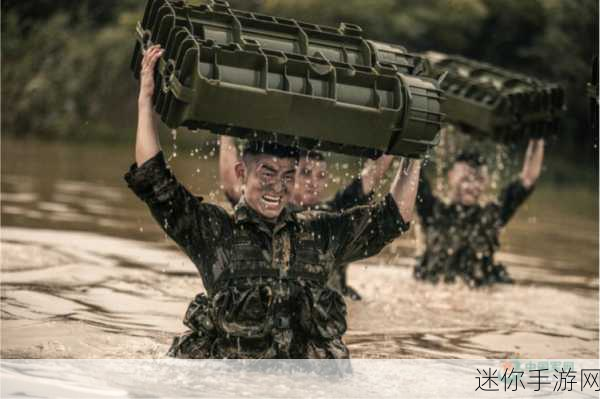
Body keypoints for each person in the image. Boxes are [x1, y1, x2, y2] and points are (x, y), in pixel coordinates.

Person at [125, 44, 422, 358]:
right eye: (267, 172)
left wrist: (412, 155)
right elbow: (155, 180)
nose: (278, 187)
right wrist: (145, 100)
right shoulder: (215, 232)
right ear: (242, 172)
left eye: (288, 175)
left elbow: (393, 219)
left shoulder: (319, 234)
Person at [219, 135, 394, 301]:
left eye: (321, 176)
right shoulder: (265, 210)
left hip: (332, 297)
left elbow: (373, 174)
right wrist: (226, 134)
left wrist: (403, 141)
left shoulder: (334, 214)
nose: (313, 183)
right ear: (290, 174)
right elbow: (232, 187)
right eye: (306, 173)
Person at [414, 138, 545, 287]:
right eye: (465, 179)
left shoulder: (492, 216)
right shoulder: (431, 211)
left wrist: (537, 139)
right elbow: (414, 173)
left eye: (478, 179)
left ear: (486, 182)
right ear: (450, 176)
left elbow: (527, 180)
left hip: (479, 292)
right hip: (433, 291)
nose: (471, 186)